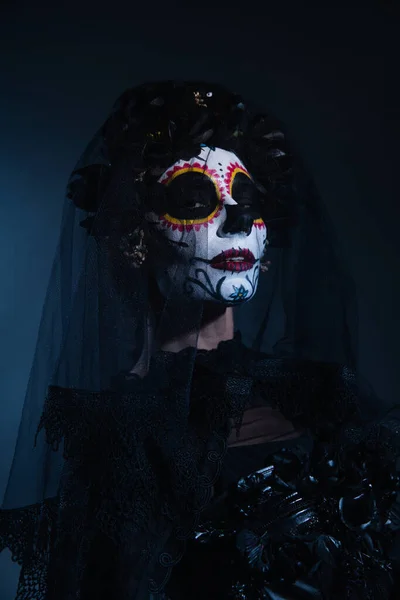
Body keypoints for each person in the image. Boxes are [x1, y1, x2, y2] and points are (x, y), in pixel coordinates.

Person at [1, 80, 399, 600]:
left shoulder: (318, 397)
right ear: (134, 239)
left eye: (248, 198)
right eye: (194, 198)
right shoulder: (118, 438)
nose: (236, 219)